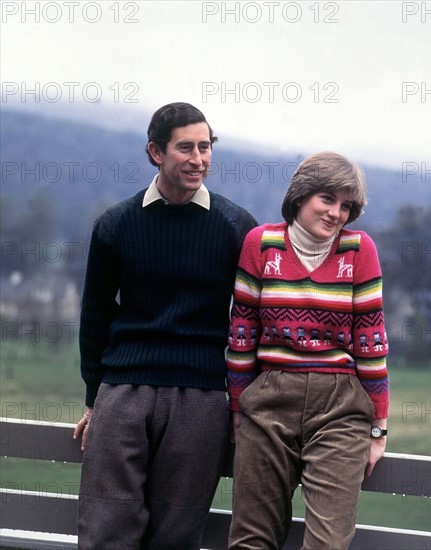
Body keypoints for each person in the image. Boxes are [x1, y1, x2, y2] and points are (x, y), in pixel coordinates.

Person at [73, 102, 257, 549]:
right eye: (186, 148)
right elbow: (95, 315)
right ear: (155, 152)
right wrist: (95, 398)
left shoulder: (236, 228)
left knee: (175, 537)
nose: (199, 159)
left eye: (206, 147)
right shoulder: (116, 224)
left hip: (201, 398)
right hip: (123, 392)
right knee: (104, 531)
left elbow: (251, 322)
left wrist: (240, 403)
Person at [226, 151, 389, 549]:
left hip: (340, 406)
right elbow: (242, 334)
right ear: (301, 195)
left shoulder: (358, 249)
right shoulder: (261, 244)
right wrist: (238, 407)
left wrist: (379, 426)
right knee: (251, 539)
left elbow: (371, 340)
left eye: (346, 205)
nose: (336, 213)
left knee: (327, 543)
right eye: (327, 199)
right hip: (267, 403)